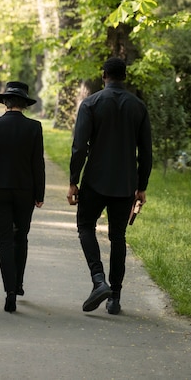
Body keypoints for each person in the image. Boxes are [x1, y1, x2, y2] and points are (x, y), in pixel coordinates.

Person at [67, 57, 152, 315]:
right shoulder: (138, 107)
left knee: (85, 226)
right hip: (125, 183)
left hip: (94, 180)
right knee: (118, 237)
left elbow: (80, 147)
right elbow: (146, 152)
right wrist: (142, 186)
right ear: (124, 76)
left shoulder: (91, 104)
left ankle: (98, 279)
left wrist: (73, 181)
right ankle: (114, 298)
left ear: (103, 75)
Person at [0, 81, 45, 313]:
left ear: (5, 102)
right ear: (24, 104)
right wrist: (40, 193)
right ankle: (18, 284)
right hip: (25, 191)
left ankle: (9, 291)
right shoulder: (34, 128)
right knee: (22, 237)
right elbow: (38, 164)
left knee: (4, 239)